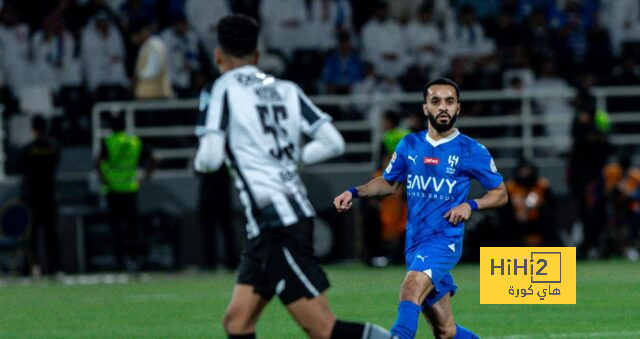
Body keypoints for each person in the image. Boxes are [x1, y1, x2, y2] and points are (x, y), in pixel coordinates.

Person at [193, 15, 391, 339]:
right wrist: (292, 157)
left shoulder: (220, 90)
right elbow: (333, 141)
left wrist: (201, 159)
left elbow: (211, 158)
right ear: (257, 55)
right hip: (272, 224)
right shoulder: (285, 89)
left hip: (277, 225)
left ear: (218, 56)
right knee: (237, 322)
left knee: (324, 329)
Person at [334, 78, 508, 339]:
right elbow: (388, 183)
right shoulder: (409, 144)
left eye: (449, 101)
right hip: (415, 243)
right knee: (445, 331)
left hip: (443, 242)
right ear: (425, 108)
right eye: (436, 101)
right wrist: (354, 192)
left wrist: (471, 205)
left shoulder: (471, 150)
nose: (443, 107)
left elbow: (500, 194)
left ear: (458, 108)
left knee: (410, 289)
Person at [96, 113, 155, 271]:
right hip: (131, 189)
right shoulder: (134, 141)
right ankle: (136, 260)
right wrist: (144, 178)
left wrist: (104, 180)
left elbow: (98, 162)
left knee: (116, 229)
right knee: (132, 228)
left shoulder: (108, 142)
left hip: (113, 191)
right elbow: (154, 159)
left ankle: (120, 263)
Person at [18, 115, 60, 277]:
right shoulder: (54, 146)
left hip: (32, 196)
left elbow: (19, 166)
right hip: (49, 195)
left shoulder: (28, 148)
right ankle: (55, 267)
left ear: (33, 128)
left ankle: (31, 267)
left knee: (31, 235)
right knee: (51, 234)